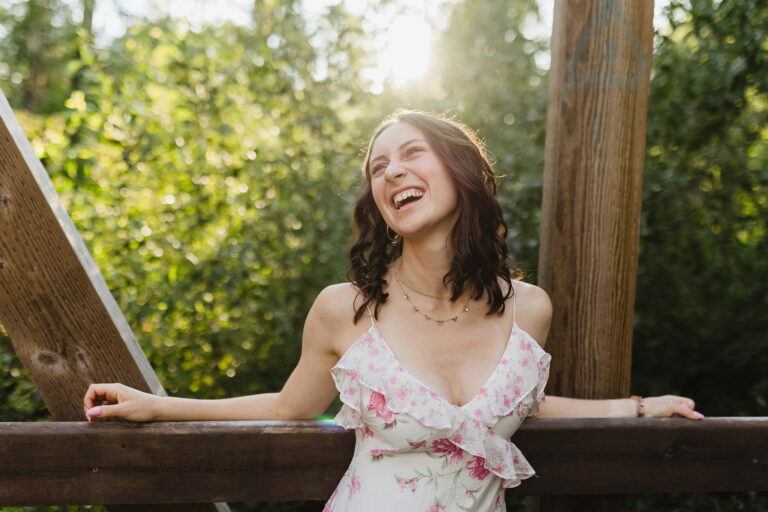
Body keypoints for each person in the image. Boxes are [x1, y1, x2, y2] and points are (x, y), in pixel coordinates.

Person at [83, 110, 703, 511]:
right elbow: (286, 408)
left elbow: (523, 404)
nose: (391, 172)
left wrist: (641, 407)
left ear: (461, 171)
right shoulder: (343, 311)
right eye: (379, 167)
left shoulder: (530, 310)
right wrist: (155, 405)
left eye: (411, 154)